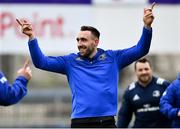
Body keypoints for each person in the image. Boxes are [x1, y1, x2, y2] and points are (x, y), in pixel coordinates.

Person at [16, 2, 155, 128]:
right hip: (80, 122)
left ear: (96, 42)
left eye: (83, 40)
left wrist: (147, 26)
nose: (79, 44)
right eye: (78, 40)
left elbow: (141, 49)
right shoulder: (69, 62)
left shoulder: (113, 58)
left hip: (106, 122)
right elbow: (41, 62)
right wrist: (31, 37)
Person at [117, 58, 172, 128]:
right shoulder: (130, 91)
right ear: (135, 72)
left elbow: (175, 106)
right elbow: (124, 115)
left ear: (151, 69)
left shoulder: (163, 85)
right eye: (140, 70)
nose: (144, 72)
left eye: (146, 69)